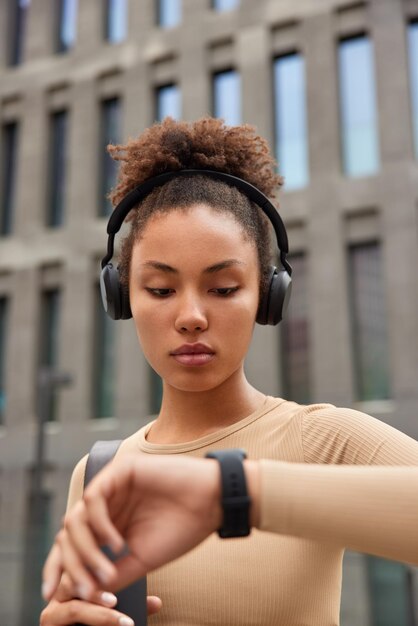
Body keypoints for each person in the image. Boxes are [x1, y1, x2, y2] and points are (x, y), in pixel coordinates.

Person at [41, 117, 418, 626]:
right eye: (159, 289)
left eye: (222, 289)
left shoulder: (324, 441)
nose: (191, 316)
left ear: (267, 295)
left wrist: (232, 492)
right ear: (120, 296)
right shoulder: (98, 473)